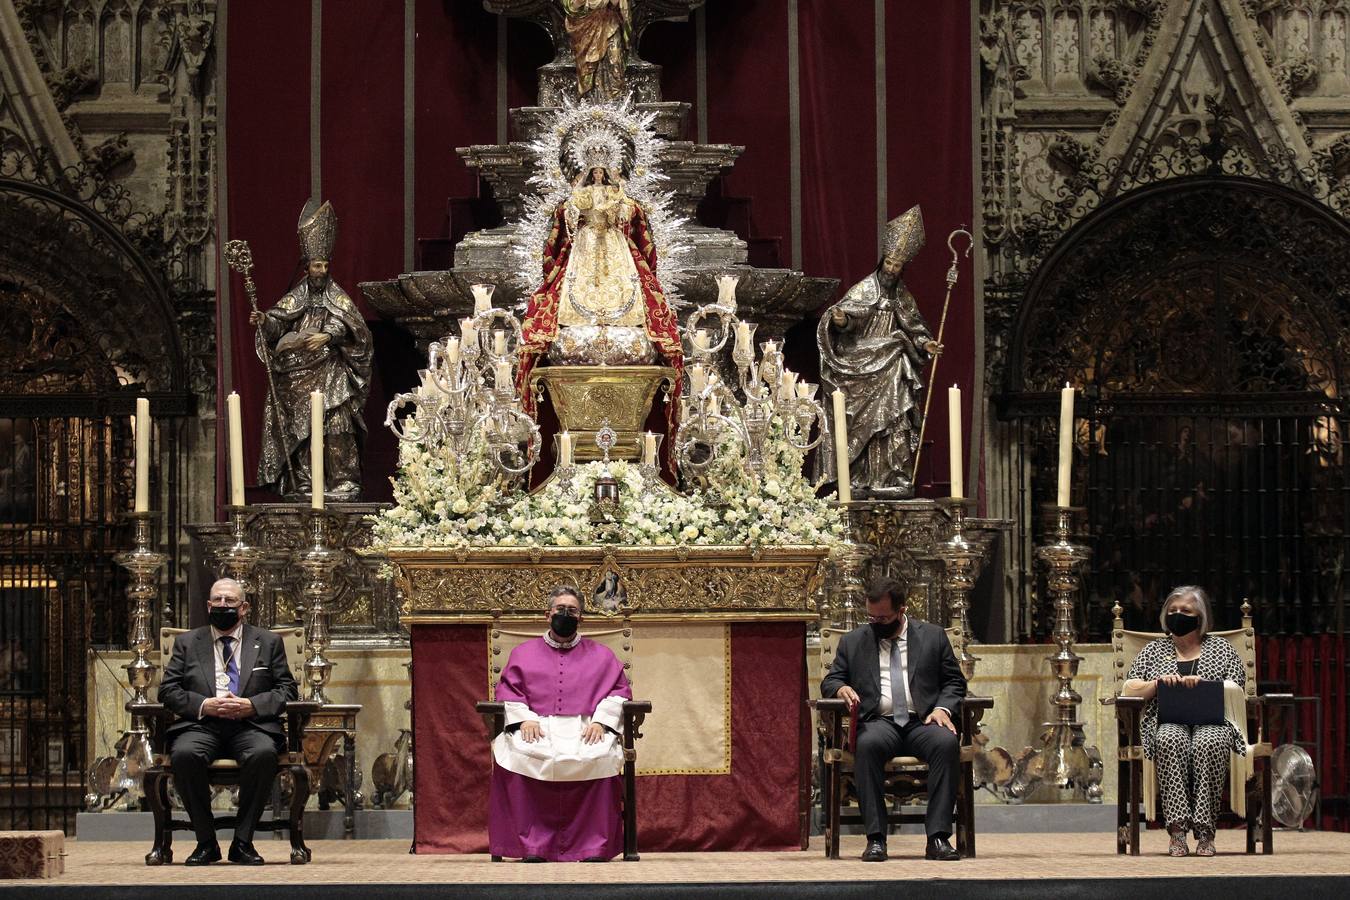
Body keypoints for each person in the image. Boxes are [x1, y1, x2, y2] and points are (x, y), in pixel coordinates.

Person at [820, 577, 967, 862]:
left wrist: (943, 709)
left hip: (923, 720)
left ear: (902, 610)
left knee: (946, 743)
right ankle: (876, 840)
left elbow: (954, 682)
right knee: (868, 744)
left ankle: (937, 838)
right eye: (871, 617)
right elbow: (832, 680)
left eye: (883, 617)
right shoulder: (853, 642)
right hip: (879, 721)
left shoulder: (934, 637)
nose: (876, 623)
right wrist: (840, 687)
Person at [156, 577, 298, 865]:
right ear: (209, 605)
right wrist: (205, 705)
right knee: (184, 754)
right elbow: (168, 691)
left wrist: (252, 705)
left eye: (230, 601)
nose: (223, 605)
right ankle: (206, 842)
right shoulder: (186, 643)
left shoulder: (268, 642)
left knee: (263, 754)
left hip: (251, 726)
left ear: (243, 607)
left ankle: (242, 843)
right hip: (201, 725)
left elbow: (287, 690)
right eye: (217, 600)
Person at [488, 585, 632, 862]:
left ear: (582, 618)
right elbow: (508, 691)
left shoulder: (602, 655)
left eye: (572, 611)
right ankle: (532, 847)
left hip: (585, 727)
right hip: (537, 725)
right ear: (547, 614)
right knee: (517, 756)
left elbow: (618, 692)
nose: (565, 615)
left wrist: (602, 722)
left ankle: (593, 846)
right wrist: (524, 718)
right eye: (560, 610)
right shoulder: (522, 653)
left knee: (601, 755)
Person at [815, 205, 941, 498]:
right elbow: (847, 315)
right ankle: (858, 477)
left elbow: (915, 328)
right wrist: (841, 320)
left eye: (898, 266)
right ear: (882, 262)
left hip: (891, 364)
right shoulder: (863, 289)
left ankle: (892, 475)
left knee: (893, 419)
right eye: (889, 263)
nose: (892, 270)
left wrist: (926, 344)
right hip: (859, 363)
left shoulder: (902, 296)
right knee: (860, 424)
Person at [251, 199, 372, 501]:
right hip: (298, 377)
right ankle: (303, 483)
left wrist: (328, 336)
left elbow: (352, 326)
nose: (322, 270)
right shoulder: (296, 296)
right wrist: (265, 320)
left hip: (331, 373)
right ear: (307, 268)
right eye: (317, 265)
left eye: (326, 265)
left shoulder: (337, 297)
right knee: (301, 431)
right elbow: (279, 322)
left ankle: (344, 481)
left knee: (337, 425)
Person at [1122, 585, 1246, 857]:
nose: (1178, 615)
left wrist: (1207, 685)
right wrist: (1156, 684)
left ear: (1200, 617)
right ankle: (1177, 832)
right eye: (1173, 610)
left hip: (1214, 722)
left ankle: (1205, 831)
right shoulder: (1154, 650)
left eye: (1186, 611)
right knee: (1168, 738)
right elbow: (1128, 689)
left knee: (1209, 742)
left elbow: (1238, 687)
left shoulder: (1222, 649)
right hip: (1167, 721)